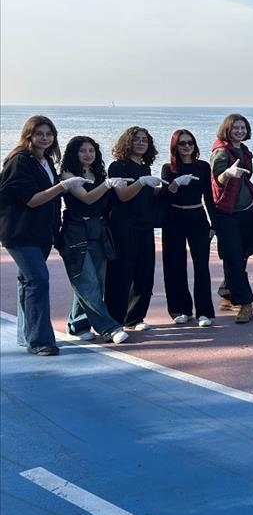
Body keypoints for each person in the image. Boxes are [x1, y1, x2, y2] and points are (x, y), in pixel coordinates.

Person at [0, 116, 86, 355]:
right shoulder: (20, 162)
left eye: (49, 134)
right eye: (39, 133)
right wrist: (62, 186)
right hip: (20, 234)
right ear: (29, 135)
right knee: (38, 280)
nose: (45, 138)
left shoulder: (45, 160)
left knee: (27, 282)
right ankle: (41, 342)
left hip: (41, 234)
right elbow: (32, 200)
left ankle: (26, 335)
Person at [56, 136, 130, 344]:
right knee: (85, 280)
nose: (88, 154)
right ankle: (110, 328)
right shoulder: (68, 175)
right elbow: (87, 198)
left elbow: (109, 203)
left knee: (96, 282)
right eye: (82, 150)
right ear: (73, 153)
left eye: (91, 150)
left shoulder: (98, 174)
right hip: (75, 232)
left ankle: (77, 324)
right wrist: (107, 185)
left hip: (99, 232)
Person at [105, 126, 164, 331]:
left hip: (145, 227)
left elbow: (145, 195)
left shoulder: (145, 168)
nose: (141, 143)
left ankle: (135, 318)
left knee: (144, 273)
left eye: (144, 140)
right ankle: (114, 320)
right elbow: (123, 195)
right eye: (137, 139)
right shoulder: (117, 167)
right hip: (123, 226)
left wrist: (167, 187)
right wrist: (142, 182)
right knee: (121, 273)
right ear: (127, 142)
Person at [161, 129, 215, 326]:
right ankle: (180, 309)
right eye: (182, 143)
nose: (186, 146)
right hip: (174, 219)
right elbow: (165, 197)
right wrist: (175, 184)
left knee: (201, 266)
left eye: (190, 143)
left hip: (197, 217)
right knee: (175, 265)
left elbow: (210, 196)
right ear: (175, 147)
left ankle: (205, 312)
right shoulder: (168, 169)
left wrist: (214, 224)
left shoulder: (203, 167)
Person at [209, 114, 253, 324]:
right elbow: (218, 179)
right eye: (235, 128)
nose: (239, 131)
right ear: (227, 129)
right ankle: (245, 303)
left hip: (247, 210)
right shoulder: (220, 152)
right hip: (227, 213)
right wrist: (228, 174)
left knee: (243, 254)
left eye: (242, 127)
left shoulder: (245, 151)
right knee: (234, 257)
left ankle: (228, 292)